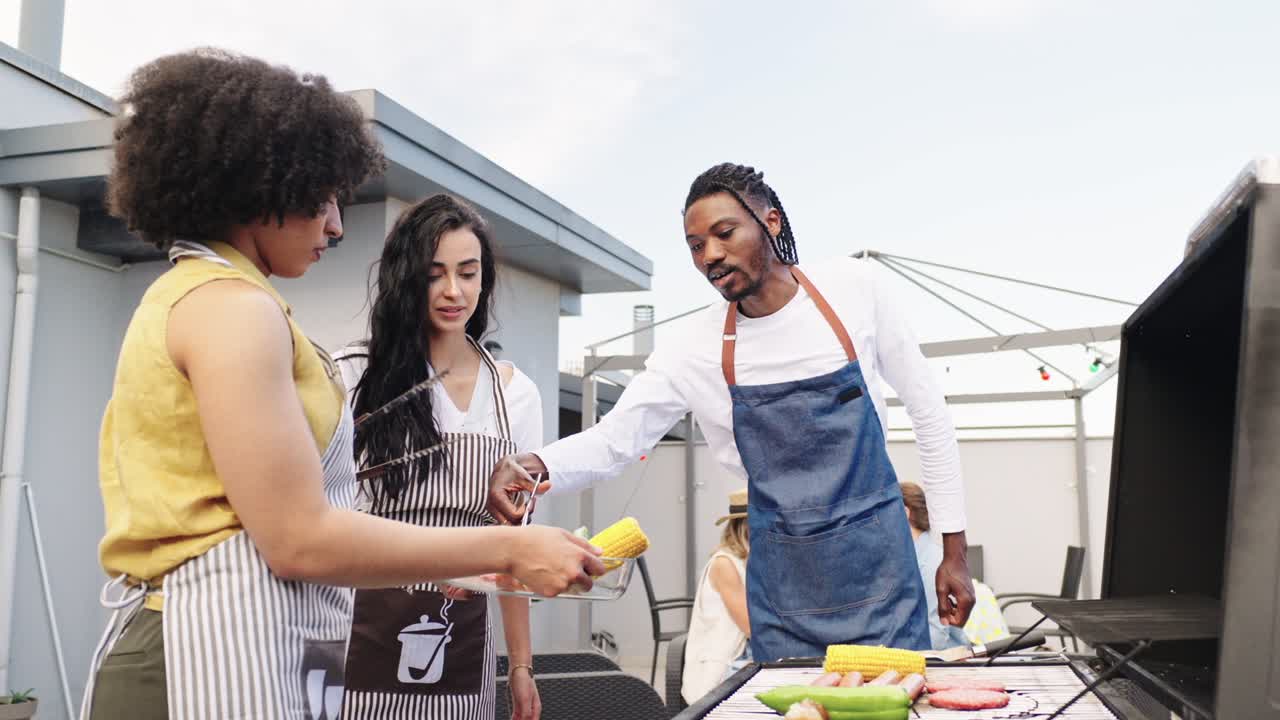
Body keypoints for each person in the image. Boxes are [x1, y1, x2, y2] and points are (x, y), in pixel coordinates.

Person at [85, 49, 602, 720]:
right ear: (259, 185)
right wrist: (509, 545)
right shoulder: (232, 310)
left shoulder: (213, 299)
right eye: (323, 197)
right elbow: (301, 537)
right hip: (199, 652)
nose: (335, 223)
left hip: (258, 645)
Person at [489, 163, 974, 661]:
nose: (711, 256)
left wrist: (952, 551)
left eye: (724, 233)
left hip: (883, 575)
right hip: (783, 590)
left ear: (771, 221)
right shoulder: (692, 348)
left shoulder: (854, 290)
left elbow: (929, 415)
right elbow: (618, 439)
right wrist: (539, 464)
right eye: (696, 246)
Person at [334, 195, 543, 719]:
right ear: (406, 279)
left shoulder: (515, 395)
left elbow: (512, 546)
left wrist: (520, 665)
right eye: (435, 274)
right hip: (356, 636)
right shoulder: (351, 377)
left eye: (468, 273)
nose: (454, 291)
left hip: (463, 641)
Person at [682, 489, 752, 703]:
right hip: (725, 667)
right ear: (745, 526)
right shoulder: (725, 563)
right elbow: (750, 627)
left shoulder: (751, 562)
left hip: (746, 658)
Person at [900, 482, 969, 650]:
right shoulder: (909, 558)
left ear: (904, 513)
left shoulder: (932, 561)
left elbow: (937, 636)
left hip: (944, 661)